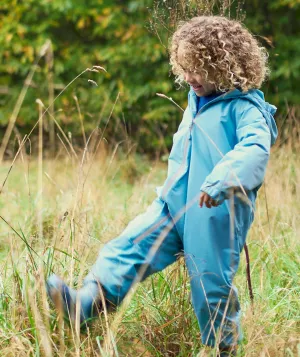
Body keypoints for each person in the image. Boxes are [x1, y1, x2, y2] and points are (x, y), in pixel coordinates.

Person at [47, 16, 278, 356]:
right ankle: (84, 305)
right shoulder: (197, 98)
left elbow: (254, 151)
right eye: (184, 68)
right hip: (171, 206)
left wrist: (220, 180)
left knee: (210, 287)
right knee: (126, 248)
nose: (188, 77)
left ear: (224, 66)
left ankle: (224, 347)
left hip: (215, 216)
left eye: (197, 69)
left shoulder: (246, 109)